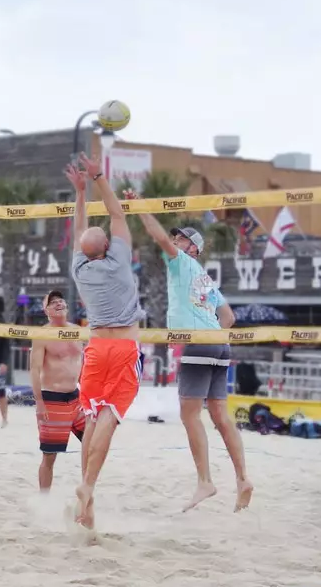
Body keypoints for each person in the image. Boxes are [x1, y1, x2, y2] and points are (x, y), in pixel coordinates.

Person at [138, 215, 253, 512]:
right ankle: (242, 479)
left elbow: (159, 237)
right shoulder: (205, 278)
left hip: (199, 343)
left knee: (190, 416)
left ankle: (205, 481)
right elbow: (229, 318)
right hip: (219, 345)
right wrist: (214, 337)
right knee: (220, 417)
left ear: (193, 248)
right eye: (176, 237)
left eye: (182, 238)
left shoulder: (182, 263)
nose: (175, 239)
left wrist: (140, 209)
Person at [64, 152, 143, 529]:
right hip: (124, 348)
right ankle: (89, 486)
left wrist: (80, 194)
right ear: (108, 248)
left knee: (92, 420)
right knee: (108, 420)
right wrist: (98, 179)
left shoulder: (79, 269)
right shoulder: (120, 263)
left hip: (95, 350)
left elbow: (84, 229)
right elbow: (117, 215)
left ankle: (86, 497)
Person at [32, 290, 86, 491]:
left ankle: (86, 491)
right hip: (52, 400)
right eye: (52, 302)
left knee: (93, 444)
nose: (58, 303)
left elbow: (81, 363)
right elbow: (34, 369)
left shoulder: (77, 330)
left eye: (61, 300)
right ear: (46, 311)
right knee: (49, 456)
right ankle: (44, 498)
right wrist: (39, 402)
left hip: (77, 398)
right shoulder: (42, 334)